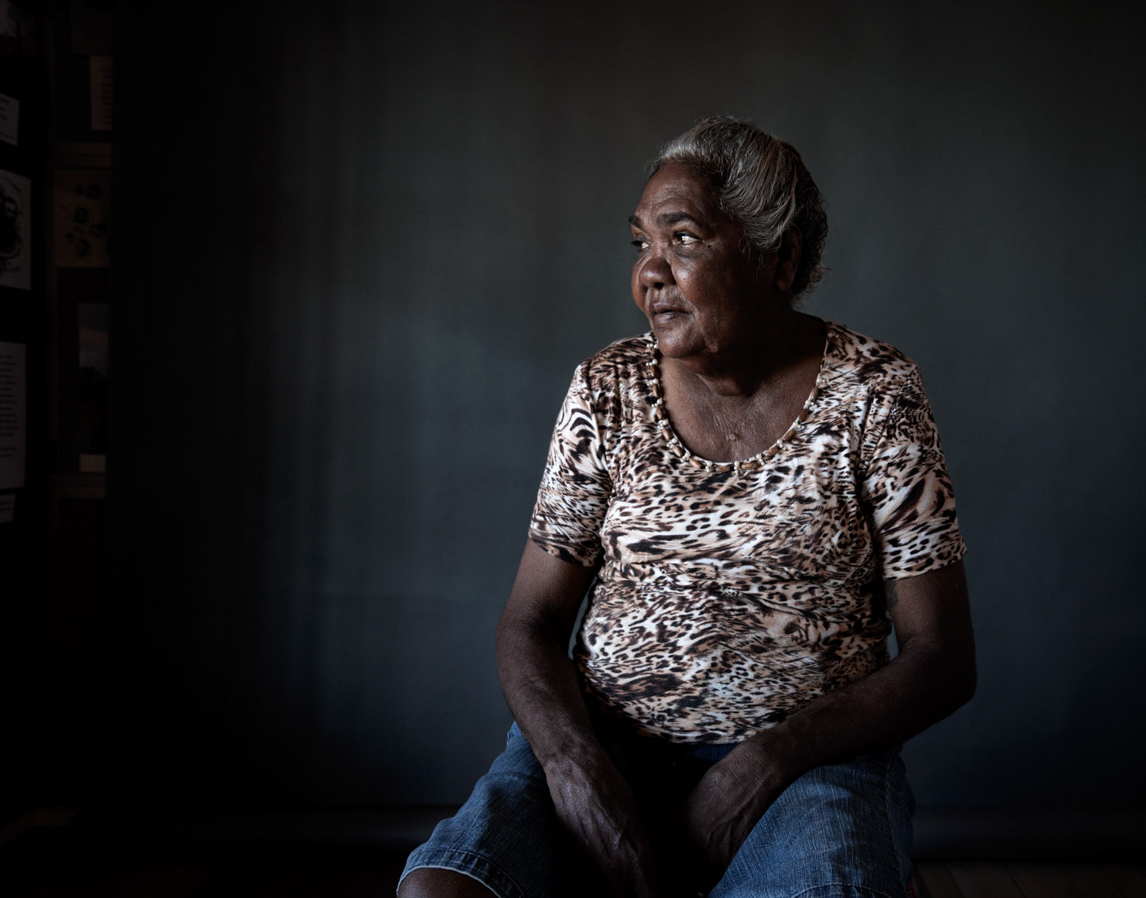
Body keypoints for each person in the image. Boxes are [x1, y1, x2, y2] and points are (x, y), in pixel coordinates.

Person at [398, 117, 975, 898]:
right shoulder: (608, 389)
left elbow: (941, 656)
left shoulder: (873, 394)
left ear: (780, 259)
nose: (650, 273)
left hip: (805, 773)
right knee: (445, 892)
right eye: (640, 243)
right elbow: (528, 623)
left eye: (684, 238)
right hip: (605, 747)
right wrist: (575, 772)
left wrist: (762, 762)